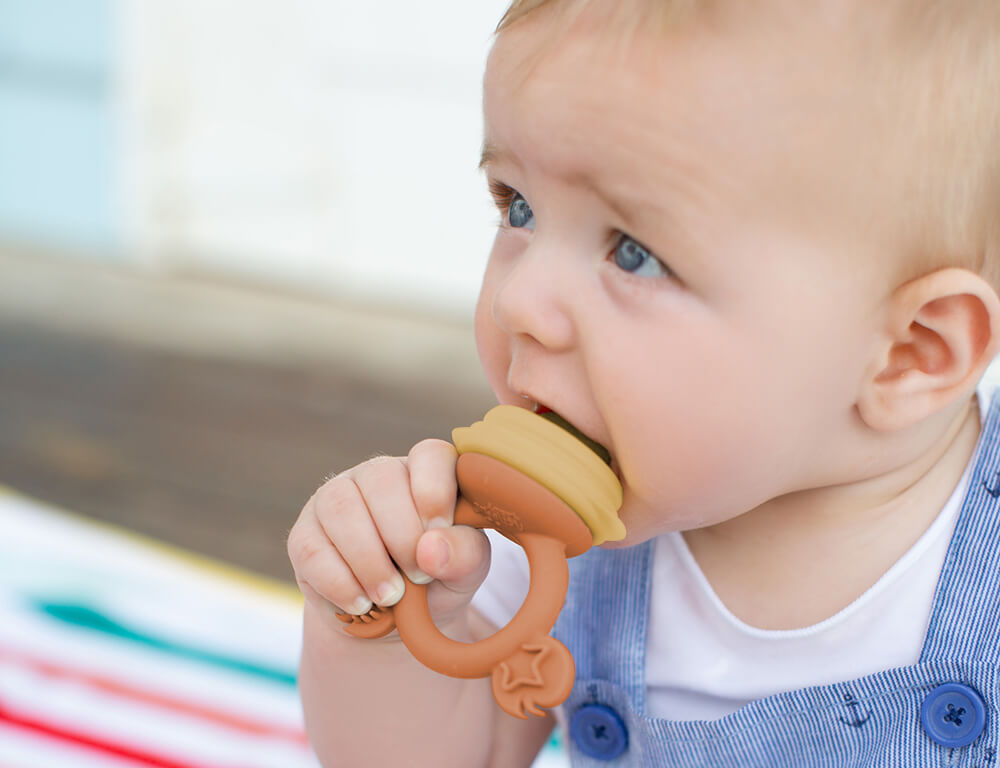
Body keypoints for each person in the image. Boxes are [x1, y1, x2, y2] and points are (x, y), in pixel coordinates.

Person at [286, 0, 1000, 764]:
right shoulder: (536, 547)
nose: (517, 301)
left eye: (634, 254)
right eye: (517, 206)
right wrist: (386, 633)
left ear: (908, 354)